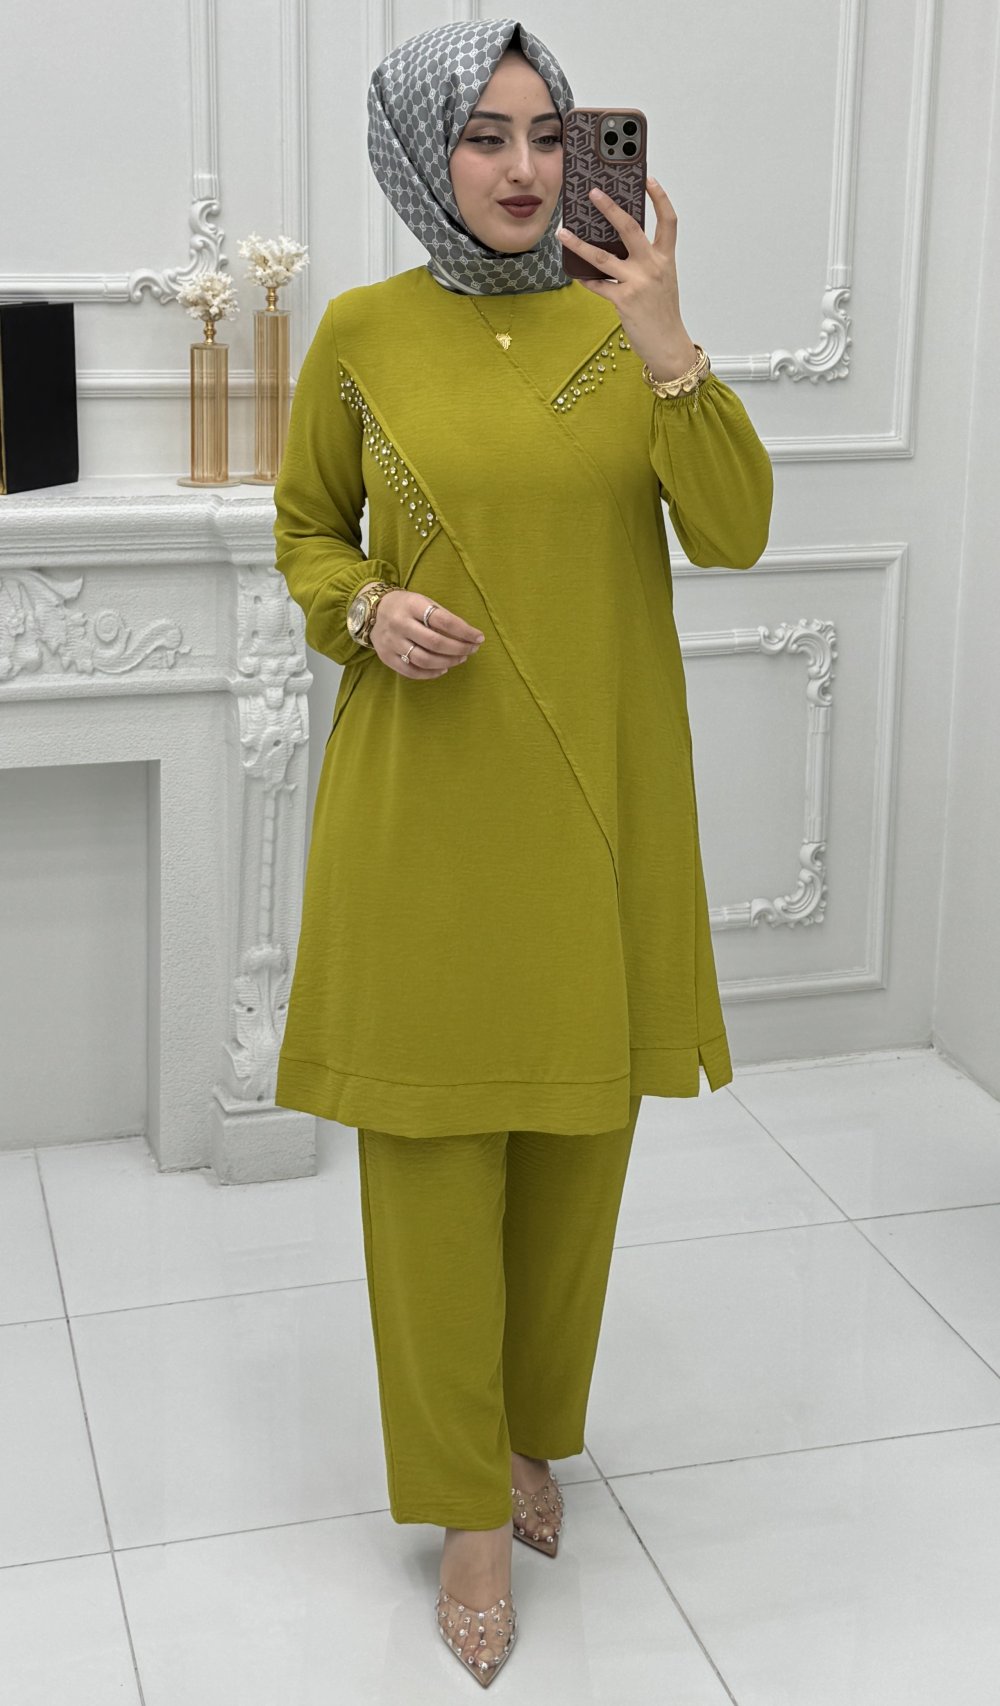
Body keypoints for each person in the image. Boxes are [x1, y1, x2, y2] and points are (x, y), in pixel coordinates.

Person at [272, 15, 773, 1689]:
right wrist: (364, 607)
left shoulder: (626, 325)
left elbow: (736, 528)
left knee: (576, 1152)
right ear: (424, 152)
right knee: (426, 1165)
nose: (522, 167)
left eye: (548, 134)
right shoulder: (360, 333)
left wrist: (670, 342)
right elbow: (305, 531)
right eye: (484, 135)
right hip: (423, 809)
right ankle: (466, 1512)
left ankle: (528, 1432)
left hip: (594, 805)